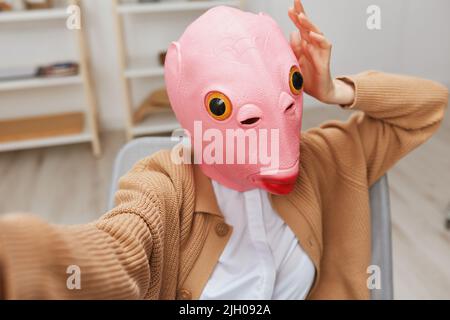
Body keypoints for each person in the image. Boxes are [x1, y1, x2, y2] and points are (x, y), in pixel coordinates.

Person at [0, 0, 447, 300]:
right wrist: (21, 258)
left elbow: (428, 106)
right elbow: (120, 250)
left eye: (290, 85)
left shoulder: (330, 156)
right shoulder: (163, 184)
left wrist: (336, 90)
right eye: (221, 106)